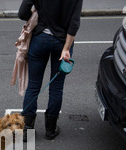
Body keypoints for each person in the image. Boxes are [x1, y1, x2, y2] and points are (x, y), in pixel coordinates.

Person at [18, 0, 83, 141]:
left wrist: (37, 12)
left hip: (40, 39)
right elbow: (74, 23)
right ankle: (51, 129)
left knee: (33, 85)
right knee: (56, 87)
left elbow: (22, 13)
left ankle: (27, 130)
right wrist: (66, 48)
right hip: (62, 42)